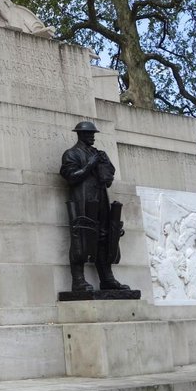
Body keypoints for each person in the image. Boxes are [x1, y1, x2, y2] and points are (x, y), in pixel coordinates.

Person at [60, 120, 129, 293]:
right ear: (80, 135)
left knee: (105, 237)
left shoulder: (98, 153)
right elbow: (72, 177)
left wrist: (105, 166)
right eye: (89, 134)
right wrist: (90, 164)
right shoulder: (71, 154)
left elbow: (108, 181)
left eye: (93, 134)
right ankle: (78, 280)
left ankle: (107, 278)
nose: (92, 137)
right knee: (80, 238)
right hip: (82, 200)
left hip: (100, 200)